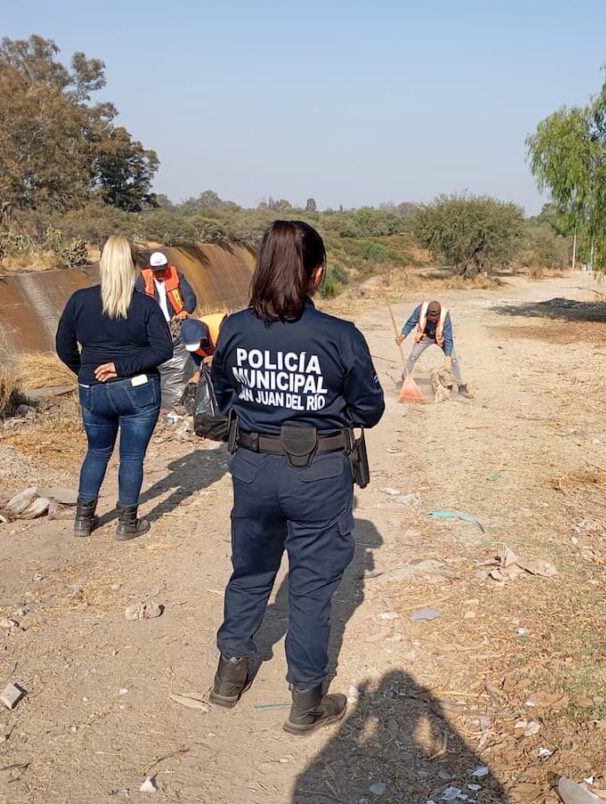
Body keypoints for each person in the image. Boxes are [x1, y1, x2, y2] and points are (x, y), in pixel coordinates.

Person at [208, 221, 385, 734]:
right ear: (317, 273)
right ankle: (305, 702)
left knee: (250, 571)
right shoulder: (339, 336)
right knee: (309, 588)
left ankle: (228, 676)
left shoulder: (236, 328)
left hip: (253, 468)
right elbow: (368, 409)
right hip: (319, 476)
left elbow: (221, 390)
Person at [55, 235, 172, 541]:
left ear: (102, 263)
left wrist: (85, 372)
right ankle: (127, 523)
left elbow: (63, 345)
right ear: (135, 265)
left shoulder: (79, 300)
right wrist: (123, 367)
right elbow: (163, 350)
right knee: (131, 458)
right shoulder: (146, 305)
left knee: (96, 452)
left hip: (93, 389)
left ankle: (83, 519)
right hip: (139, 390)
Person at [135, 251, 198, 412]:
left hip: (175, 324)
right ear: (151, 269)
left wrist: (185, 311)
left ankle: (179, 399)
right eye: (157, 272)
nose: (161, 274)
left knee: (182, 362)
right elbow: (138, 301)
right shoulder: (143, 279)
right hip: (155, 326)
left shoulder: (176, 275)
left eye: (163, 270)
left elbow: (189, 296)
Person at [395, 300, 472, 398]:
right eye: (431, 318)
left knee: (454, 360)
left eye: (435, 318)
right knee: (412, 357)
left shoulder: (445, 314)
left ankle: (461, 385)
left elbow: (448, 337)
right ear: (427, 313)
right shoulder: (420, 310)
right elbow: (410, 323)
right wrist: (402, 336)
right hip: (425, 337)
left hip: (441, 337)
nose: (433, 320)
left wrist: (448, 356)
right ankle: (404, 381)